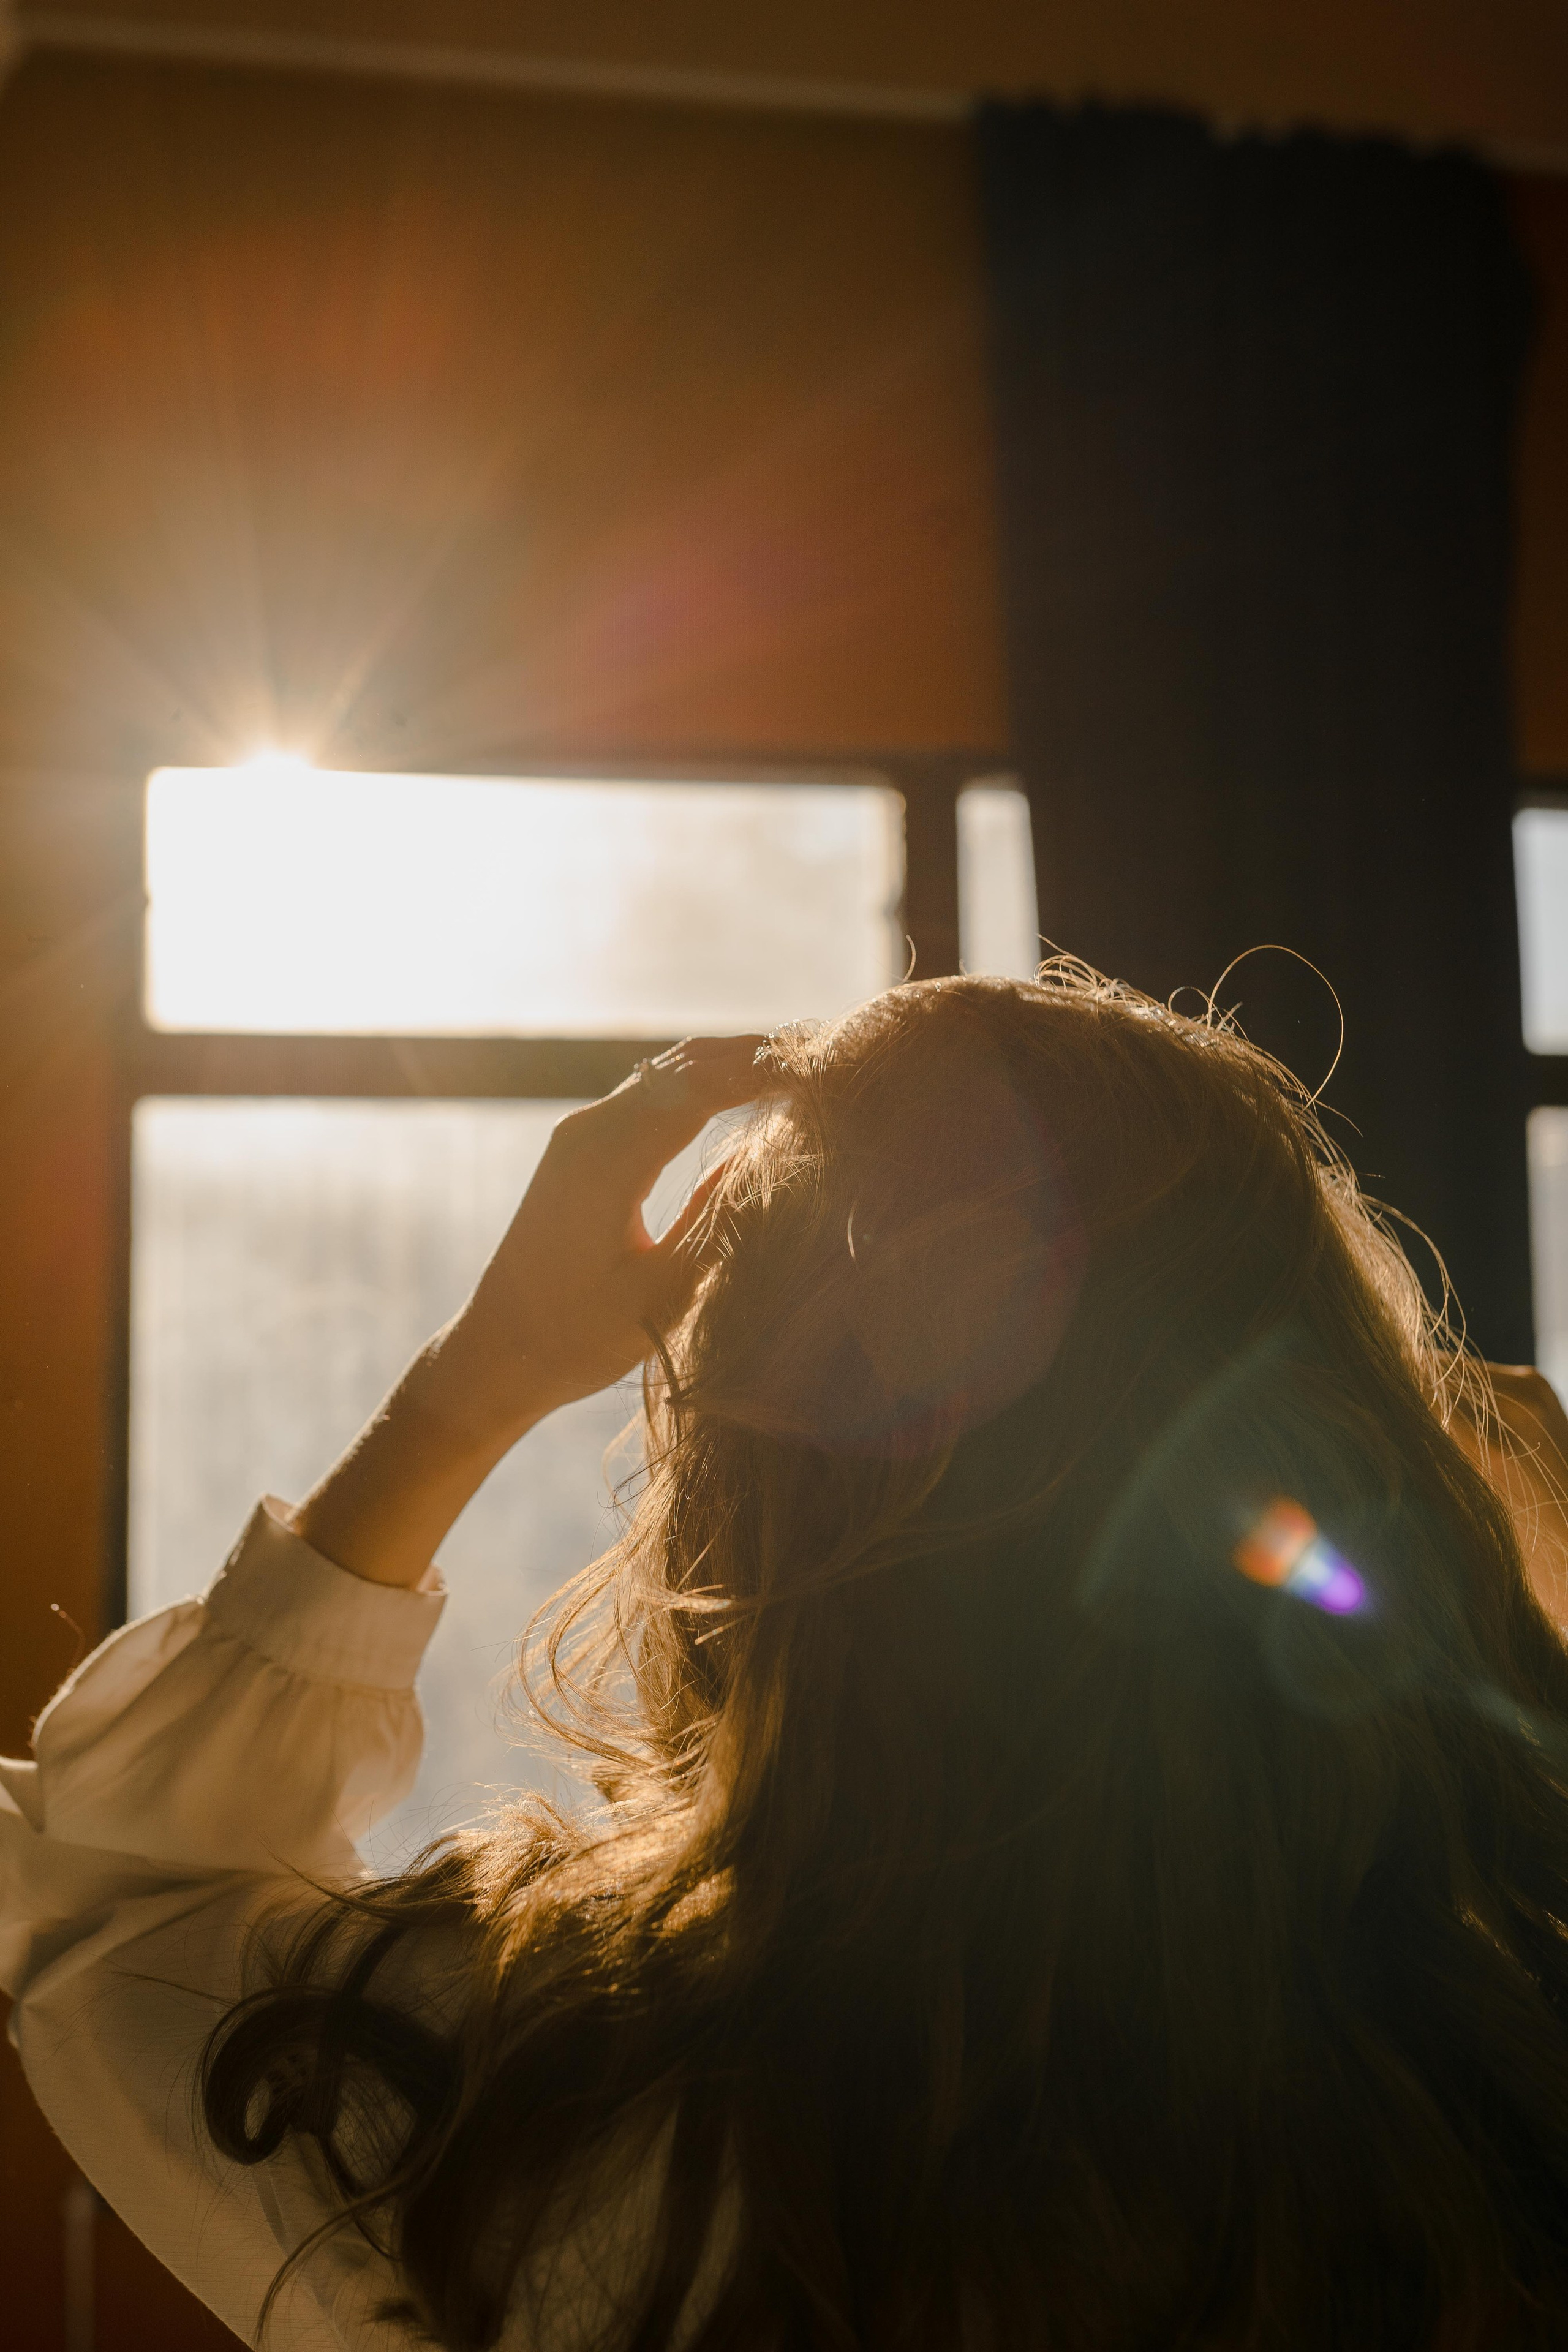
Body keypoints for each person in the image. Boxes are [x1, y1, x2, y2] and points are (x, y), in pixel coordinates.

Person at [6, 963, 1568, 2351]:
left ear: (753, 1486)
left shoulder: (535, 2109)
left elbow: (118, 1898)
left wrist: (473, 1380)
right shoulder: (1495, 2072)